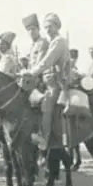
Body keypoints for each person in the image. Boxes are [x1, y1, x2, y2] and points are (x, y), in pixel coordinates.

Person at [24, 13, 70, 151]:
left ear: (57, 26)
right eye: (46, 27)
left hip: (57, 83)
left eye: (50, 26)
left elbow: (47, 61)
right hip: (49, 81)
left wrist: (31, 73)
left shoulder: (59, 41)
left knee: (46, 105)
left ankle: (44, 139)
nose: (48, 30)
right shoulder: (53, 41)